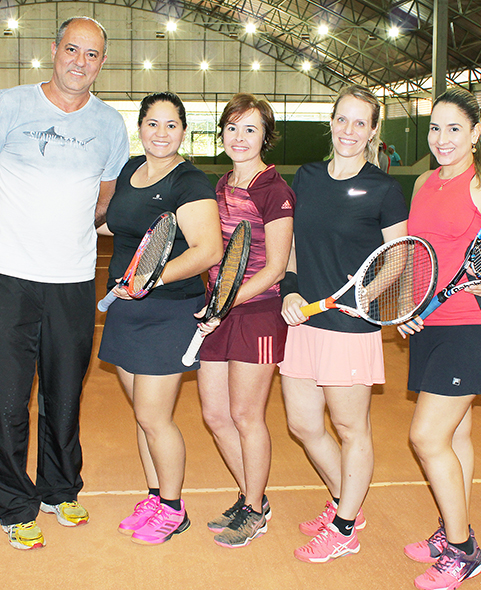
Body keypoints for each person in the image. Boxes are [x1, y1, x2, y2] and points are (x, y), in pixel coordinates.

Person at [0, 16, 130, 550]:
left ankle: (59, 489)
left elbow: (104, 202)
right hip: (8, 277)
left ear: (102, 63)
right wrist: (4, 232)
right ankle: (14, 504)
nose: (80, 61)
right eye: (72, 49)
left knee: (64, 392)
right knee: (5, 397)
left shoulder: (111, 125)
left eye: (92, 54)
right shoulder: (10, 105)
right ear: (53, 50)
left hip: (73, 281)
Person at [396, 87, 481, 590]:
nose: (442, 138)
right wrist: (407, 304)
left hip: (471, 325)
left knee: (426, 437)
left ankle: (465, 549)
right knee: (456, 436)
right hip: (431, 324)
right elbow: (414, 251)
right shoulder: (425, 181)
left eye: (454, 129)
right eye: (435, 128)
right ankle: (451, 535)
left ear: (475, 134)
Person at [279, 85, 408, 563]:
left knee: (352, 429)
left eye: (360, 123)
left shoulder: (384, 189)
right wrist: (290, 287)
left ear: (373, 131)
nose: (349, 130)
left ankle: (345, 527)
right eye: (342, 120)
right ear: (330, 123)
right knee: (303, 424)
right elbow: (293, 244)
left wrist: (364, 298)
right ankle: (343, 503)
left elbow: (397, 260)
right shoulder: (307, 177)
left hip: (350, 326)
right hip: (304, 321)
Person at [97, 92, 223, 545]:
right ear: (141, 127)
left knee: (155, 416)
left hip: (168, 311)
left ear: (184, 131)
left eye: (171, 125)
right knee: (142, 416)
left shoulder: (190, 182)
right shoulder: (131, 169)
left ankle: (174, 507)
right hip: (126, 309)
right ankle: (154, 496)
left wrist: (150, 279)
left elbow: (208, 250)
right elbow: (117, 223)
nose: (161, 133)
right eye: (153, 123)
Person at [196, 94, 295, 548]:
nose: (240, 137)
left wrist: (226, 299)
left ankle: (254, 508)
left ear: (266, 138)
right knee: (215, 414)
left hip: (258, 313)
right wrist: (211, 300)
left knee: (245, 414)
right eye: (233, 127)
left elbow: (276, 266)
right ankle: (252, 496)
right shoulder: (218, 187)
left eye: (250, 129)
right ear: (221, 134)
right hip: (218, 312)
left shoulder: (275, 191)